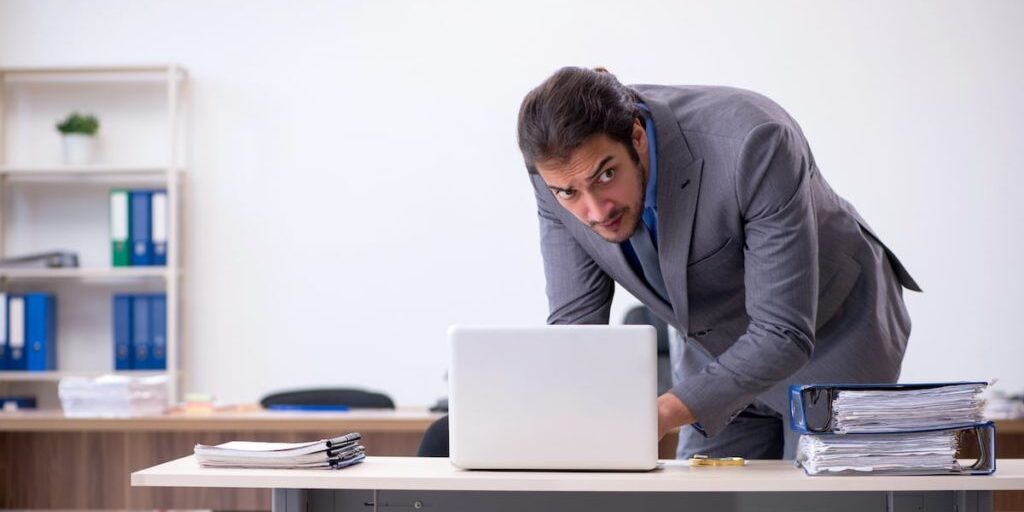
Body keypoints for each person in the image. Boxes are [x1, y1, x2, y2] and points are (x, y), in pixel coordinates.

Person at [515, 66, 920, 460]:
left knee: (813, 501)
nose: (595, 210)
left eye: (606, 176)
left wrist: (662, 413)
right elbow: (576, 325)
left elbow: (781, 332)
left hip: (833, 331)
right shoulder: (557, 174)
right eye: (568, 193)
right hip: (710, 347)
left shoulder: (754, 142)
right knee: (703, 498)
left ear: (636, 136)